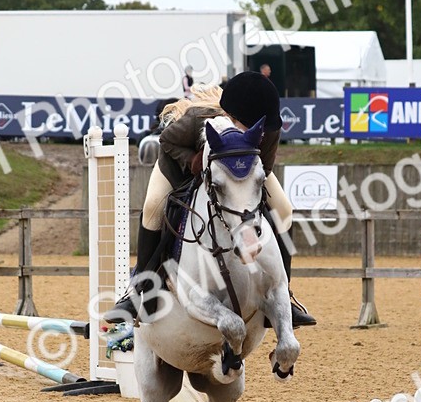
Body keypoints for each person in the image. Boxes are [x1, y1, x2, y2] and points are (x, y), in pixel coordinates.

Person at [106, 71, 316, 327]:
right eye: (249, 127)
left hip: (241, 171)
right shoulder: (199, 118)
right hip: (179, 167)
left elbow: (266, 167)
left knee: (284, 208)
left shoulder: (269, 129)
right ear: (231, 117)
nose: (258, 133)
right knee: (153, 207)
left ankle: (284, 295)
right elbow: (167, 140)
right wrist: (193, 162)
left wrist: (240, 185)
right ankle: (140, 290)